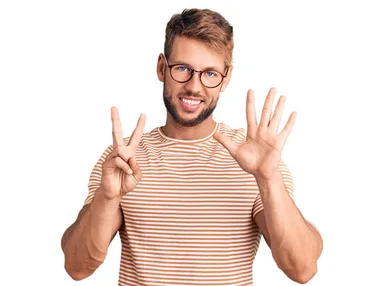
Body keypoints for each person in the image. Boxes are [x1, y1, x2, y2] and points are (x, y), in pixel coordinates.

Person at [60, 8, 323, 285]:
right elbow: (77, 267)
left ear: (226, 77)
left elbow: (301, 268)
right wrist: (107, 197)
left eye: (210, 73)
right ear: (162, 67)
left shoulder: (255, 160)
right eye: (183, 69)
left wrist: (268, 180)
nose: (194, 87)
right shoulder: (124, 159)